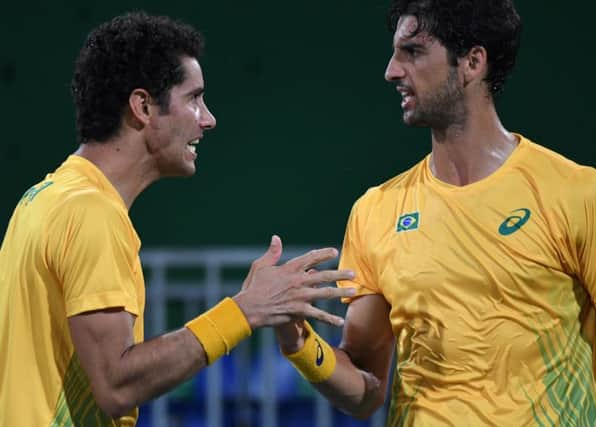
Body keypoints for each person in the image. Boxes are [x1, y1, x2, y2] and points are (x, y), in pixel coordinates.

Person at [274, 0, 596, 425]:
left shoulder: (581, 196)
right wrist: (299, 342)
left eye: (412, 52)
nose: (391, 71)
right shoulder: (376, 210)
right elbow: (365, 393)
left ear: (472, 62)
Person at [0, 12, 356, 426]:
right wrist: (244, 311)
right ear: (143, 106)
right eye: (194, 98)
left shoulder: (41, 199)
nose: (208, 119)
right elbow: (117, 386)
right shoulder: (90, 213)